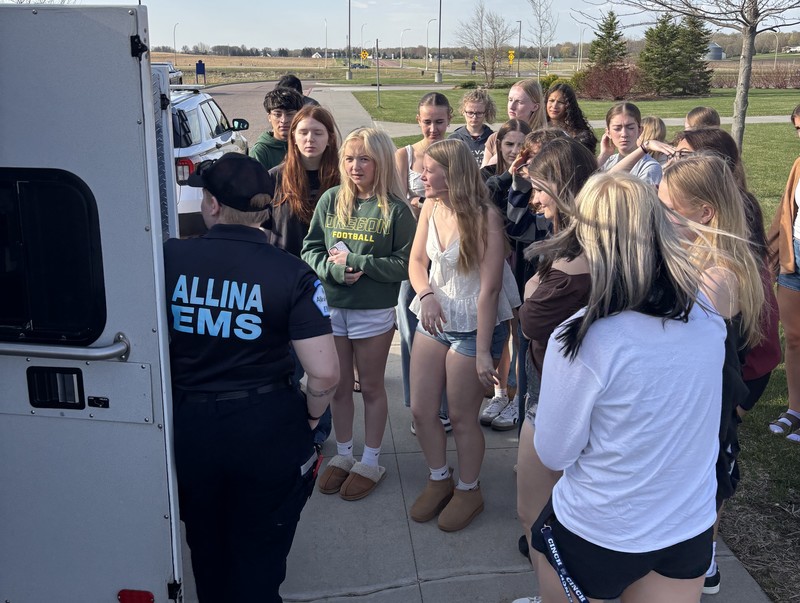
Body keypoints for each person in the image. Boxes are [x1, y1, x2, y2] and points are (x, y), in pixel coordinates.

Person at [528, 172, 737, 602]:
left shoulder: (582, 338)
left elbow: (554, 453)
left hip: (599, 529)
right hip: (686, 527)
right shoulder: (707, 317)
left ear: (587, 236)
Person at [164, 153, 339, 602]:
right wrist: (311, 418)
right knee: (261, 554)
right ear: (265, 210)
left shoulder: (168, 258)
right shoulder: (292, 273)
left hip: (191, 427)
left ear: (212, 205)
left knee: (206, 546)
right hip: (267, 426)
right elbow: (324, 373)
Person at [659, 153, 766, 595]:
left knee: (698, 493)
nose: (658, 215)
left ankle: (698, 564)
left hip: (702, 412)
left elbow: (679, 350)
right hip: (703, 404)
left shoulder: (715, 276)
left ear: (705, 213)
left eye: (667, 207)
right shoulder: (705, 260)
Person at [407, 139, 520, 532]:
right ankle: (439, 478)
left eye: (429, 170)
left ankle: (469, 490)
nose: (422, 176)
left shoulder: (486, 217)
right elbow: (416, 261)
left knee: (461, 416)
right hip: (435, 315)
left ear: (452, 174)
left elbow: (490, 290)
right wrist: (426, 295)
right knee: (421, 410)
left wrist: (486, 352)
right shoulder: (431, 205)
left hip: (476, 324)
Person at [302, 128, 416, 500]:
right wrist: (334, 271)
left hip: (372, 311)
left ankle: (370, 459)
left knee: (370, 386)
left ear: (381, 161)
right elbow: (310, 249)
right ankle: (344, 454)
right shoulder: (331, 199)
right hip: (331, 307)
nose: (355, 166)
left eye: (364, 158)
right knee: (337, 387)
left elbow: (405, 264)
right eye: (349, 158)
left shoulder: (396, 209)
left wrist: (359, 262)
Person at [510, 140, 596, 602]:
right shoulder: (599, 243)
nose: (535, 198)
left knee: (536, 514)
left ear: (564, 188)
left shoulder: (576, 263)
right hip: (576, 391)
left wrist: (533, 286)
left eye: (541, 188)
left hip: (553, 396)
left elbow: (531, 320)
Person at [267, 105, 341, 450]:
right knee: (288, 369)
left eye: (318, 132)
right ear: (293, 138)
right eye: (303, 132)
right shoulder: (275, 178)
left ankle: (317, 431)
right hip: (284, 289)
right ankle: (289, 428)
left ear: (330, 138)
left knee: (322, 371)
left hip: (330, 288)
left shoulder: (342, 181)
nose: (310, 139)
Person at [394, 92, 453, 429]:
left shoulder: (456, 152)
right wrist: (416, 204)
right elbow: (395, 200)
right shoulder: (404, 155)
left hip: (447, 254)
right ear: (418, 120)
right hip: (413, 253)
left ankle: (445, 406)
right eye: (427, 122)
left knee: (447, 330)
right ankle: (419, 405)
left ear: (449, 120)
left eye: (439, 121)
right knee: (411, 331)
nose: (433, 128)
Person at [767, 103, 800, 442]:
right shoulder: (799, 164)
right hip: (795, 258)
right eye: (799, 130)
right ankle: (795, 409)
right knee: (793, 337)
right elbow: (786, 212)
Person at [482, 79, 547, 168]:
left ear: (535, 107)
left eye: (519, 102)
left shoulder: (544, 141)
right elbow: (482, 175)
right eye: (510, 100)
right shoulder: (494, 138)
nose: (511, 107)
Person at [597, 102, 662, 186]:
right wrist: (603, 155)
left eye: (630, 128)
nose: (624, 134)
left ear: (640, 131)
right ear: (608, 132)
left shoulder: (649, 167)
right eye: (617, 128)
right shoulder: (607, 162)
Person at [250, 86, 304, 171]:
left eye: (290, 114)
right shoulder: (260, 151)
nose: (284, 120)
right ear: (269, 117)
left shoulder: (305, 144)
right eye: (277, 114)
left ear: (299, 116)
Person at [543, 82, 597, 154]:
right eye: (551, 101)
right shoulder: (538, 128)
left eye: (560, 102)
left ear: (569, 106)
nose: (554, 106)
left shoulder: (579, 136)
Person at [449, 88, 497, 165]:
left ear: (486, 113)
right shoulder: (454, 139)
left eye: (479, 113)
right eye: (470, 113)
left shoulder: (493, 139)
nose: (474, 117)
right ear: (463, 111)